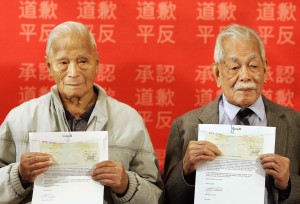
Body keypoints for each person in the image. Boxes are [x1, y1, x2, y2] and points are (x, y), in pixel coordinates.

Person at [0, 21, 163, 204]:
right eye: (63, 62)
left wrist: (126, 184)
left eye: (83, 61)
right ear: (48, 66)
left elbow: (156, 195)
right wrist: (19, 176)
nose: (73, 72)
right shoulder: (20, 119)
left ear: (97, 63)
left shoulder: (129, 120)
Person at [162, 24, 300, 204]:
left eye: (253, 66)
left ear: (265, 70)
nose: (245, 76)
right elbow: (167, 197)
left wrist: (288, 183)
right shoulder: (185, 126)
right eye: (234, 68)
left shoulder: (295, 123)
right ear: (217, 73)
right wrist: (185, 170)